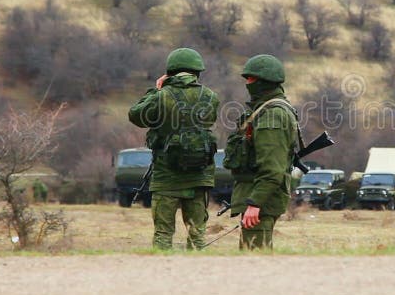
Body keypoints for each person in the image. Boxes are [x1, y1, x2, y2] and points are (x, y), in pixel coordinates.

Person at [128, 48, 220, 250]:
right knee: (197, 236)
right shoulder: (210, 97)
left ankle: (163, 276)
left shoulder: (162, 96)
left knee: (163, 234)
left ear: (170, 71)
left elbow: (135, 115)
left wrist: (157, 90)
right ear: (197, 71)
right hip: (200, 176)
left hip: (166, 176)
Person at [224, 54, 299, 250]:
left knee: (254, 260)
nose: (247, 83)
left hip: (261, 201)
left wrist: (255, 204)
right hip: (258, 197)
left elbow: (272, 167)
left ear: (264, 82)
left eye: (251, 79)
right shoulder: (267, 109)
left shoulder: (272, 115)